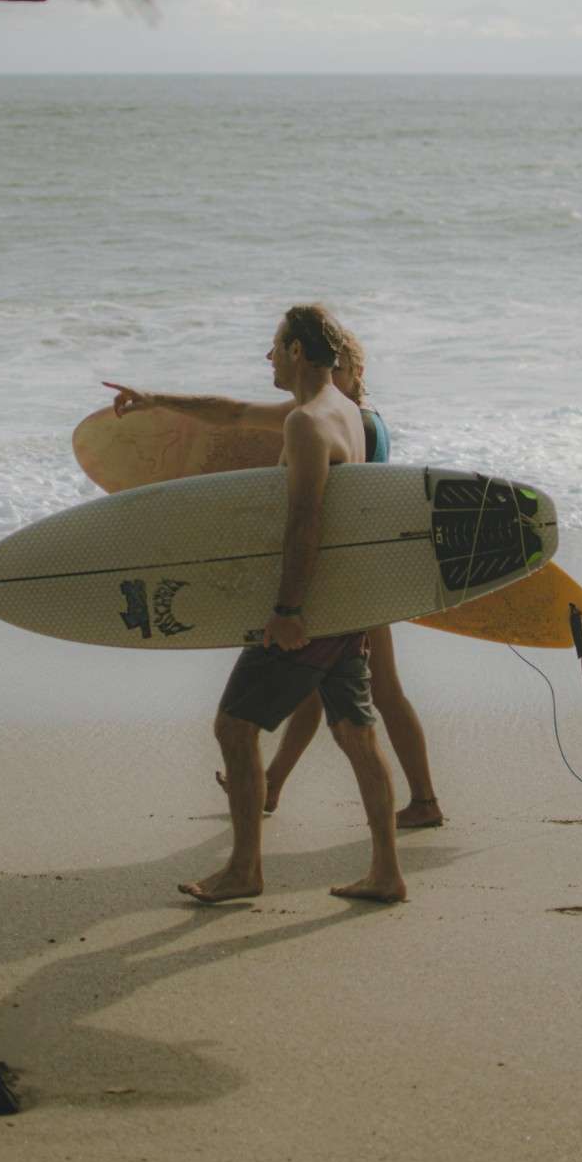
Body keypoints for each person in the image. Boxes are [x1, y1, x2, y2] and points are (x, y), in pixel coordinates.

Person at [110, 303, 406, 904]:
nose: (267, 358)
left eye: (273, 347)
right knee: (355, 731)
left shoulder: (306, 424)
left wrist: (289, 612)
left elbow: (305, 521)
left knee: (235, 727)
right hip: (344, 602)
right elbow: (233, 413)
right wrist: (154, 399)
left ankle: (245, 869)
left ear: (297, 350)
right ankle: (386, 872)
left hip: (310, 608)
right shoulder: (339, 410)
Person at [229, 330, 444, 829]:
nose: (329, 380)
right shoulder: (352, 417)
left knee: (383, 692)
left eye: (339, 370)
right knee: (316, 690)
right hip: (357, 576)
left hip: (355, 577)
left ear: (353, 371)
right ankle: (273, 784)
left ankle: (425, 800)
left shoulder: (356, 422)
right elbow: (236, 412)